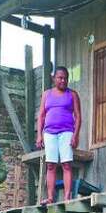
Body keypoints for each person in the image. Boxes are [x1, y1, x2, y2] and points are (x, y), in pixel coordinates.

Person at [36, 67, 81, 204]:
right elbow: (41, 116)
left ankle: (67, 198)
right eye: (60, 78)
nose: (63, 80)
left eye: (65, 78)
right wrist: (39, 135)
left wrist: (75, 136)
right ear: (53, 78)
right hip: (49, 133)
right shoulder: (46, 94)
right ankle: (50, 197)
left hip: (67, 132)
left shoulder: (72, 94)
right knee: (51, 165)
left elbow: (78, 116)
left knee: (66, 164)